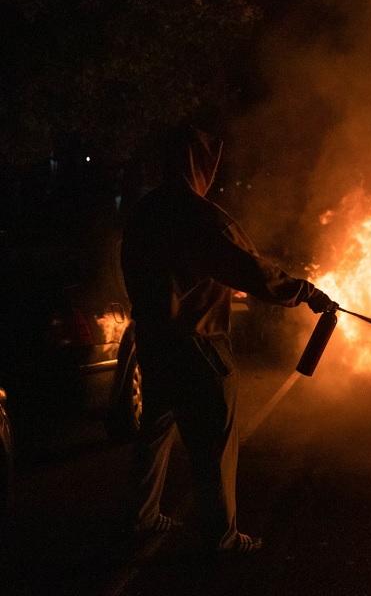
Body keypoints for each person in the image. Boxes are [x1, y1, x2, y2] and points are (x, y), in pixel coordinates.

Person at [120, 126, 337, 554]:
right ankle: (221, 537)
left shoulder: (145, 211)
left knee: (155, 432)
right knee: (215, 445)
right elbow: (253, 272)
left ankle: (141, 517)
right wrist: (306, 292)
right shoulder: (202, 218)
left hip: (154, 340)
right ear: (198, 164)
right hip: (198, 345)